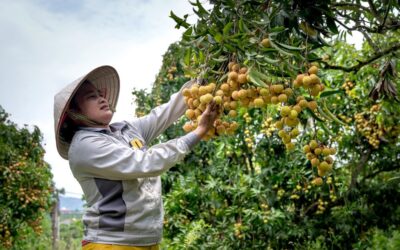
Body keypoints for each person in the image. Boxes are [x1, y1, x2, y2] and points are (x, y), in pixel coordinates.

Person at [53, 65, 219, 249]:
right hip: (110, 244)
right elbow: (146, 163)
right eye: (91, 96)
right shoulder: (85, 145)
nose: (102, 98)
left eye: (100, 94)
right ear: (74, 113)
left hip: (147, 241)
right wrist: (199, 131)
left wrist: (204, 78)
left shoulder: (125, 130)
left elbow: (165, 113)